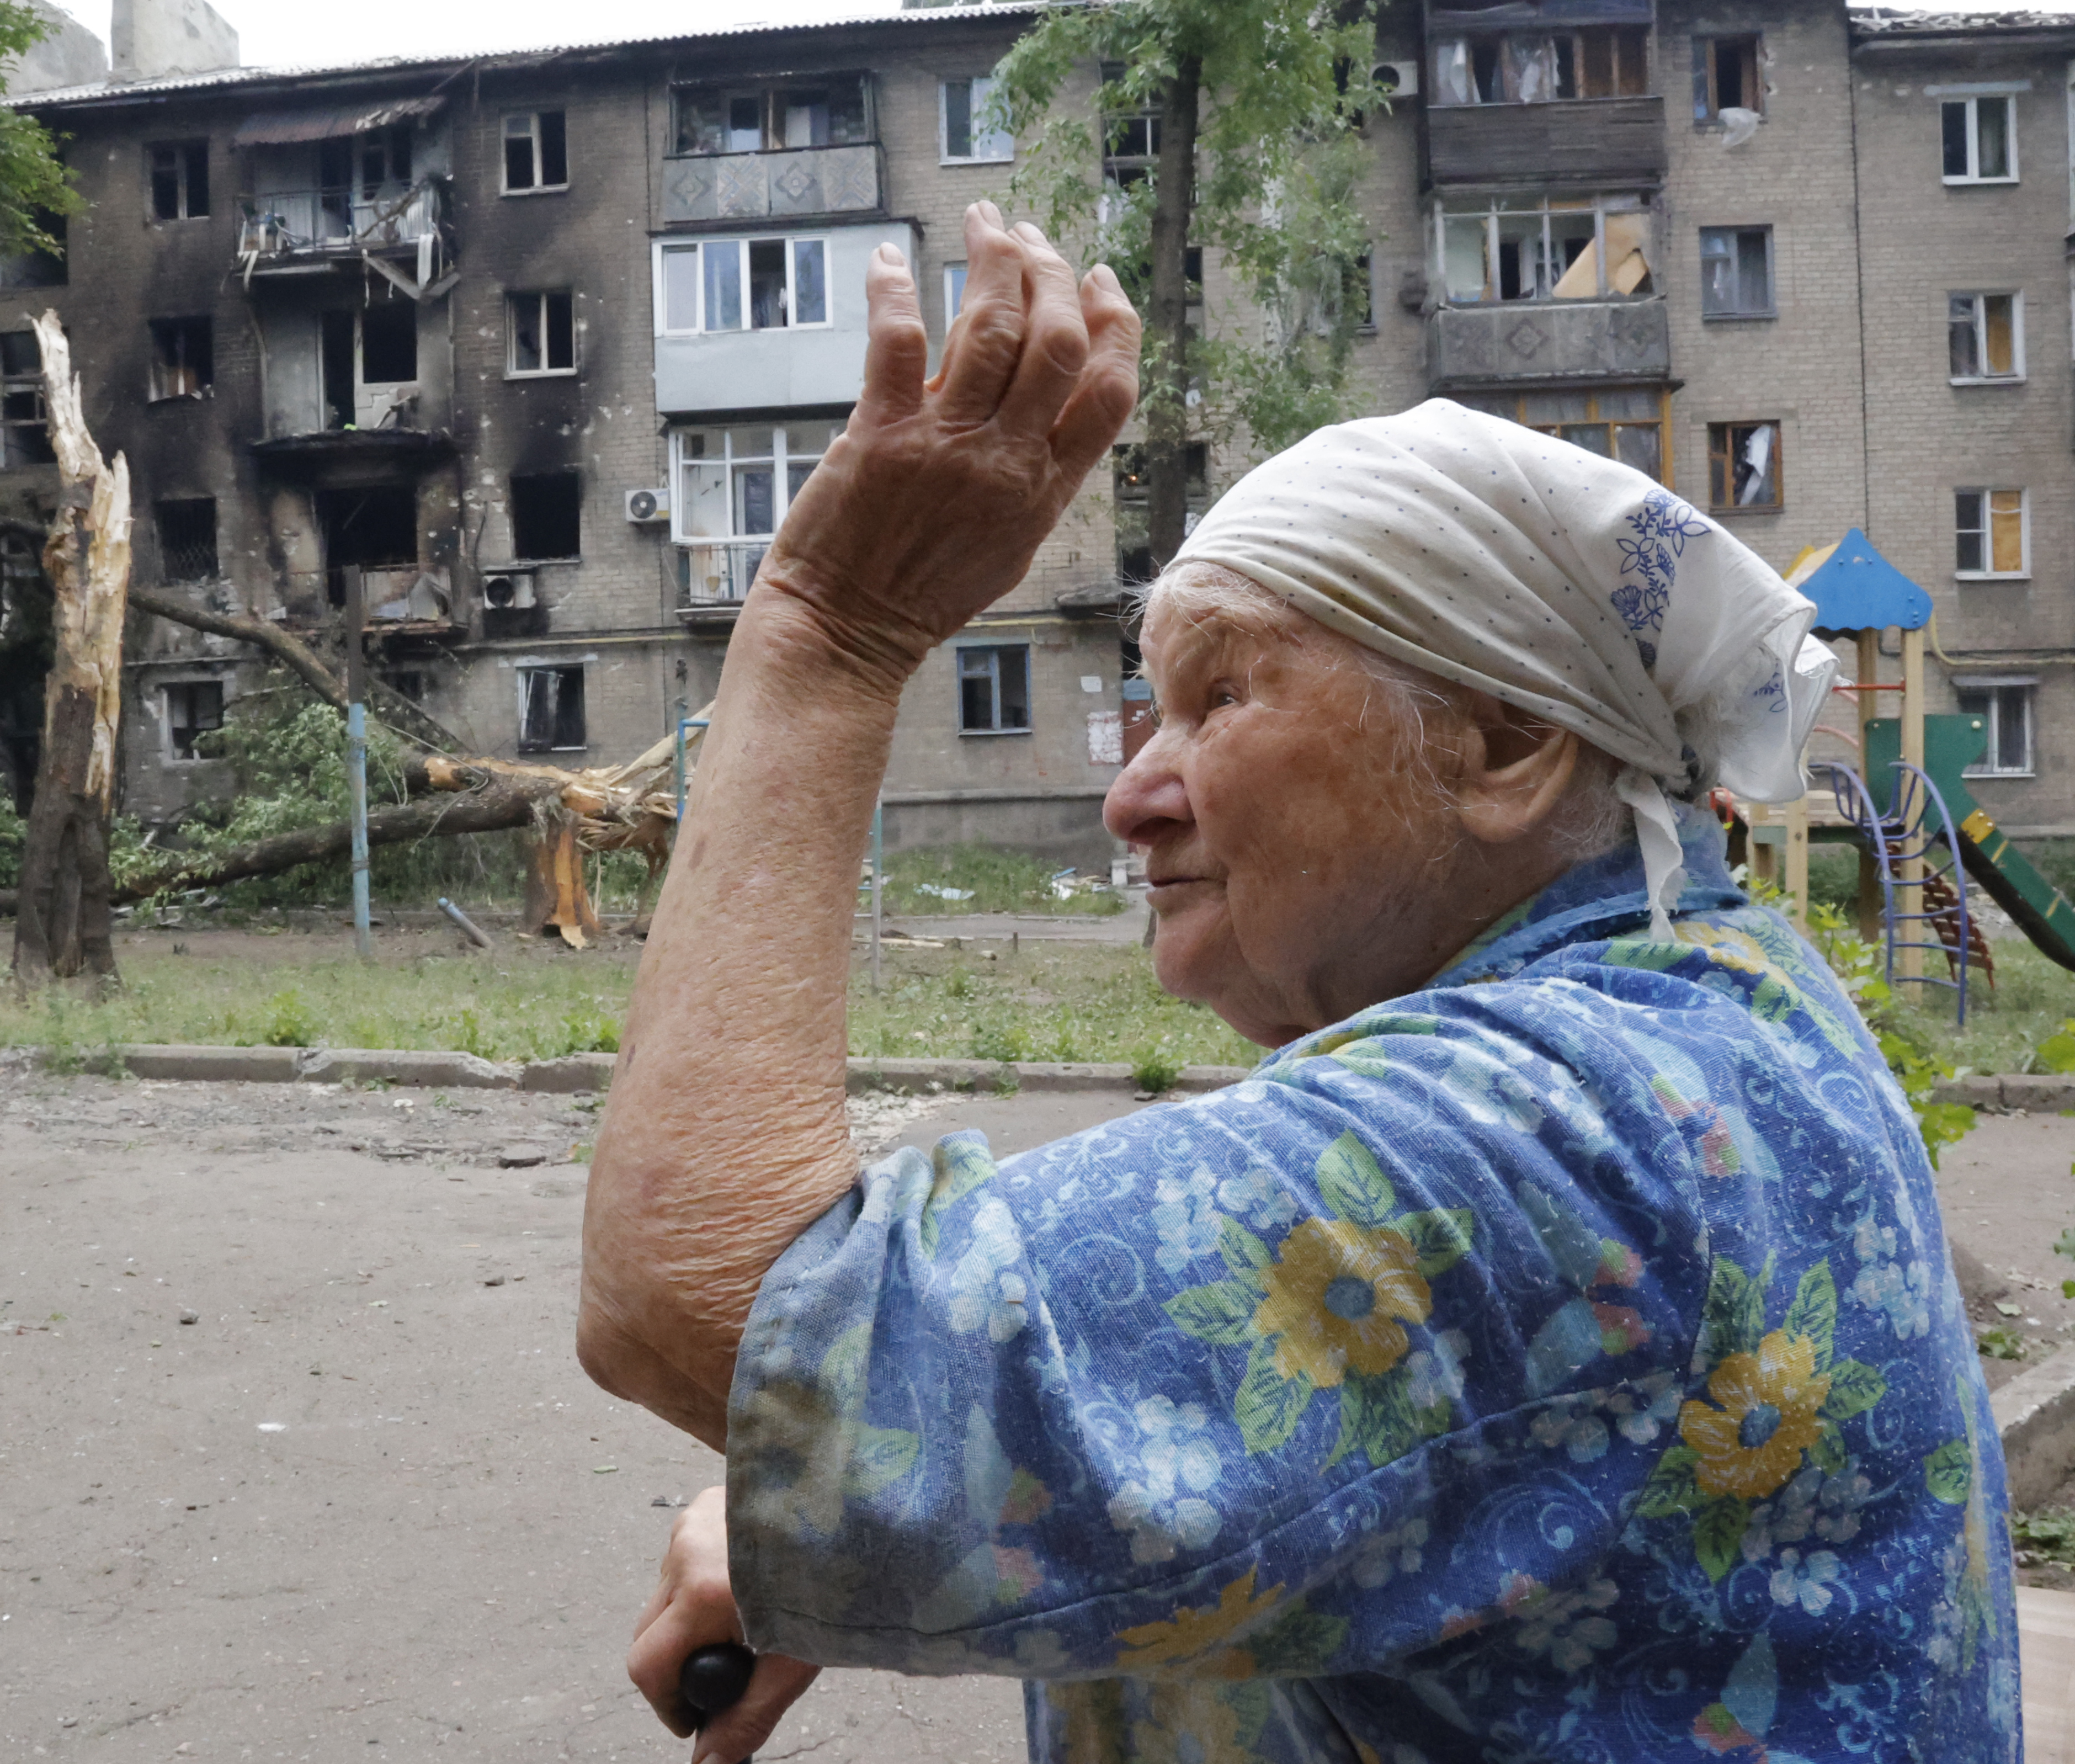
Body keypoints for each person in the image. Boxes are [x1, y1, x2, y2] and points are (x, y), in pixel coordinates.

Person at [579, 204, 2019, 1764]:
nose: (1131, 796)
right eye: (1149, 708)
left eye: (1217, 697)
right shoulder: (1713, 991)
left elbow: (702, 1300)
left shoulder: (1538, 1123)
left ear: (1503, 746)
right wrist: (900, 1519)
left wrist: (829, 633)